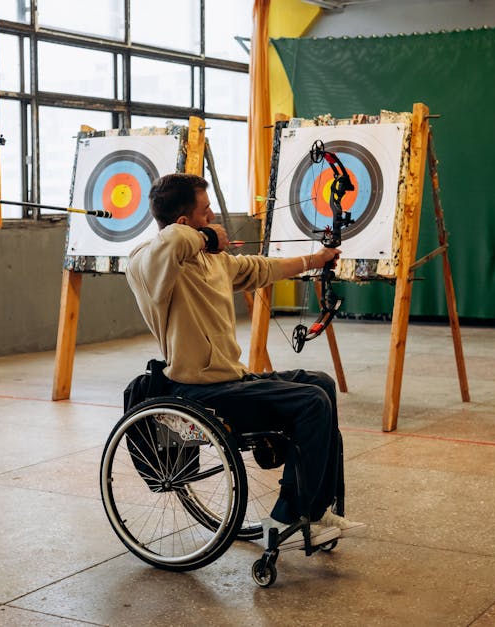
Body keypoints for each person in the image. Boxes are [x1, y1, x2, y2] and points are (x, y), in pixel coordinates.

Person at [125, 173, 358, 547]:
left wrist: (316, 259)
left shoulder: (213, 263)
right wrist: (203, 236)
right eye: (206, 211)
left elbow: (263, 269)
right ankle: (286, 519)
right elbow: (170, 240)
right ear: (186, 222)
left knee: (320, 384)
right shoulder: (147, 264)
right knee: (310, 403)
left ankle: (314, 508)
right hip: (197, 392)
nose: (214, 216)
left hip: (232, 381)